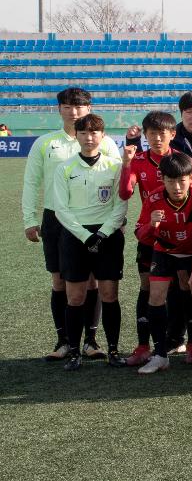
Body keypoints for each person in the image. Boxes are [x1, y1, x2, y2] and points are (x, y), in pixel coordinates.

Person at [22, 87, 120, 361]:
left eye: (79, 106)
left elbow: (118, 185)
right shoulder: (45, 142)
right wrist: (30, 219)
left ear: (89, 108)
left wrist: (117, 221)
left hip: (96, 220)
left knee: (92, 283)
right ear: (59, 109)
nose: (73, 111)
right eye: (67, 106)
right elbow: (31, 182)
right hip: (56, 218)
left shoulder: (107, 143)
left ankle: (91, 340)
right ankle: (63, 341)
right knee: (60, 281)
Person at [49, 114, 129, 370]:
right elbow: (61, 209)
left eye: (94, 133)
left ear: (103, 136)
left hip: (107, 236)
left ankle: (114, 350)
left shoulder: (114, 166)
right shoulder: (65, 168)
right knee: (75, 297)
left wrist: (103, 233)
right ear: (77, 136)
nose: (89, 137)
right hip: (75, 237)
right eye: (83, 133)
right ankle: (74, 352)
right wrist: (86, 236)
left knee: (109, 294)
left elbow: (121, 206)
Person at [135, 153, 192, 374]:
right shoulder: (153, 199)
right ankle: (160, 354)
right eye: (171, 181)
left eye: (182, 180)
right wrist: (152, 225)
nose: (177, 186)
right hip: (165, 252)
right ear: (162, 179)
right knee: (155, 295)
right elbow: (141, 236)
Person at [118, 110, 177, 366]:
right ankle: (143, 345)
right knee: (147, 288)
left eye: (162, 133)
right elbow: (124, 193)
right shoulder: (139, 160)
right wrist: (127, 164)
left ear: (172, 135)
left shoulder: (183, 162)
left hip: (178, 235)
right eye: (151, 134)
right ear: (145, 135)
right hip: (149, 234)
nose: (156, 138)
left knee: (180, 288)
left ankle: (183, 341)